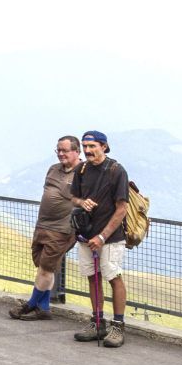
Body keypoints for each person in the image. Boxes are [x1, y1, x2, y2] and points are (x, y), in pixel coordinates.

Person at [9, 135, 81, 320]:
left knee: (45, 269)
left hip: (62, 229)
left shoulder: (83, 173)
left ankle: (30, 305)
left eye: (65, 150)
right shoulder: (53, 169)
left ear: (76, 151)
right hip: (42, 225)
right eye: (58, 150)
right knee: (42, 266)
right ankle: (44, 307)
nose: (60, 154)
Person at [71, 130, 130, 348]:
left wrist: (102, 236)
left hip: (110, 237)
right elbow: (73, 197)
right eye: (85, 147)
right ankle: (97, 322)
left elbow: (122, 208)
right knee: (92, 277)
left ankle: (118, 326)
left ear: (104, 146)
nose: (87, 151)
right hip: (86, 234)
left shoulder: (116, 171)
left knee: (113, 276)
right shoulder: (82, 169)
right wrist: (81, 202)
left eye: (92, 146)